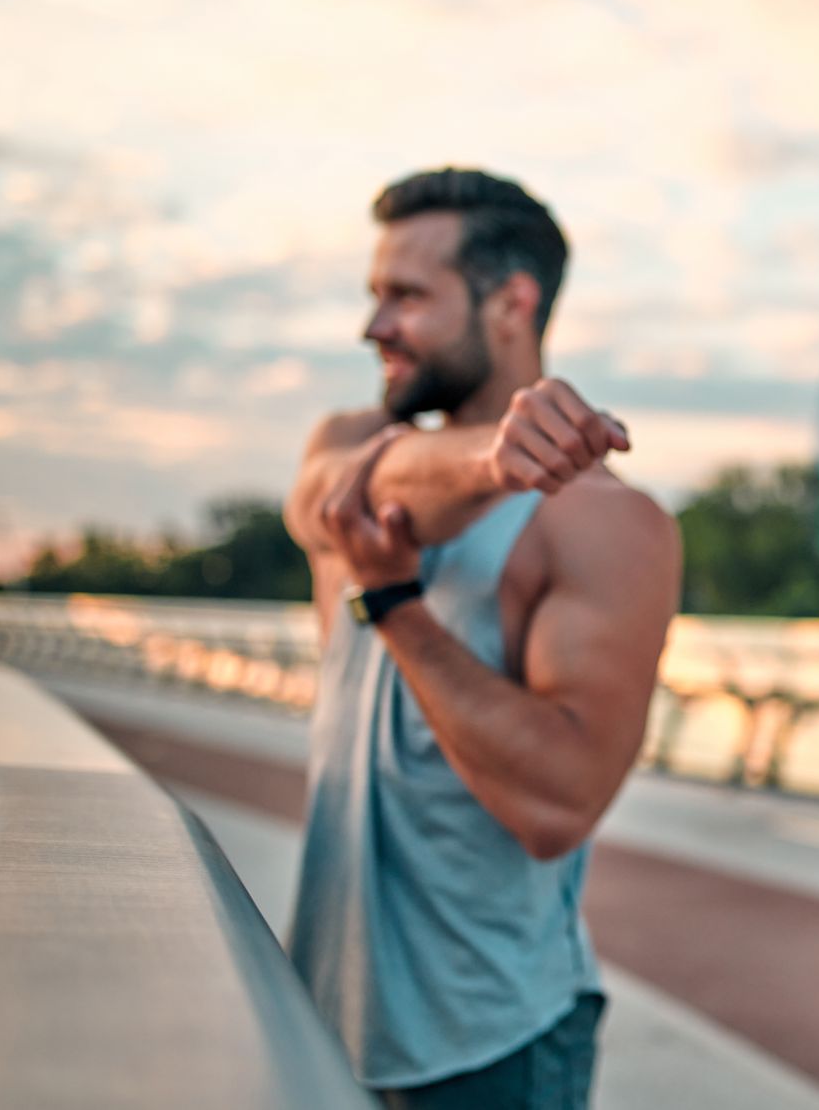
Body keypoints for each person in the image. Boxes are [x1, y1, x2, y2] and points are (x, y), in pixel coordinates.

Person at [281, 167, 680, 1109]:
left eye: (407, 297)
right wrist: (492, 456)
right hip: (321, 1021)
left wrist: (400, 612)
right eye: (375, 294)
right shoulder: (350, 452)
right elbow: (342, 498)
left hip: (491, 1047)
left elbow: (558, 806)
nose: (374, 326)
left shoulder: (606, 525)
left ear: (512, 303)